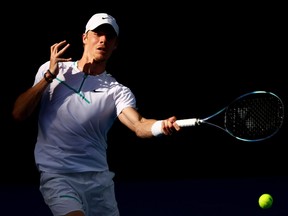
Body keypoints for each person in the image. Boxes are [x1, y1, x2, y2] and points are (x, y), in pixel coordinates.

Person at [12, 12, 180, 216]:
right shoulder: (52, 70)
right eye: (97, 34)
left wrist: (160, 126)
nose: (103, 40)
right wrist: (49, 76)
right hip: (58, 176)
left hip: (99, 182)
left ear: (115, 45)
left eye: (109, 37)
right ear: (84, 37)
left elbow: (139, 124)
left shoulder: (117, 90)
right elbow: (19, 113)